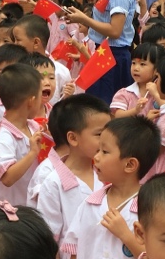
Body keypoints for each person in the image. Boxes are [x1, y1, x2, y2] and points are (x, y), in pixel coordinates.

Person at [61, 116, 160, 259]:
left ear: (130, 164)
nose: (96, 157)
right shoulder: (90, 204)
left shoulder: (149, 210)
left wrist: (126, 236)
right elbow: (74, 249)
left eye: (105, 151)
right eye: (98, 149)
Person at [63, 0, 138, 101]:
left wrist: (84, 19)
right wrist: (79, 17)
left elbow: (115, 31)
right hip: (104, 53)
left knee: (106, 105)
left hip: (113, 56)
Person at [33, 94, 110, 243]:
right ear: (73, 138)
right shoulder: (53, 183)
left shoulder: (108, 173)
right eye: (100, 134)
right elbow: (48, 239)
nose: (107, 140)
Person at [0, 64, 43, 207]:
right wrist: (32, 153)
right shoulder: (4, 138)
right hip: (9, 211)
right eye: (40, 96)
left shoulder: (33, 126)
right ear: (31, 101)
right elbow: (7, 178)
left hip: (29, 205)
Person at [110, 43, 165, 119]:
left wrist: (156, 94)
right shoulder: (125, 93)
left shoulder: (164, 92)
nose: (136, 68)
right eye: (133, 63)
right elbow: (118, 116)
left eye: (142, 64)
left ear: (157, 69)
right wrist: (136, 110)